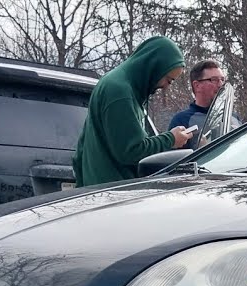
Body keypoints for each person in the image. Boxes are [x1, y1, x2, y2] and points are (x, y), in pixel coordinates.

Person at [72, 36, 195, 187]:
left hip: (101, 190)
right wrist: (170, 140)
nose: (166, 87)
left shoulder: (122, 87)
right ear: (153, 67)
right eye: (168, 80)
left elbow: (81, 150)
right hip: (112, 194)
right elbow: (131, 151)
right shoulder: (119, 92)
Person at [168, 59, 228, 133]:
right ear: (197, 85)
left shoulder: (231, 117)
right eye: (214, 80)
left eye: (222, 80)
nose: (220, 85)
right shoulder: (182, 121)